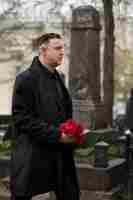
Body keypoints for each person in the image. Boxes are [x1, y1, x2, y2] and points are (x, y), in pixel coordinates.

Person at [10, 33, 80, 200]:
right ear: (43, 50)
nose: (62, 52)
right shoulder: (25, 79)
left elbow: (62, 113)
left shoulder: (58, 78)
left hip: (60, 156)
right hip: (34, 157)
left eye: (63, 48)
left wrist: (72, 133)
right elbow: (22, 119)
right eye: (57, 48)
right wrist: (57, 135)